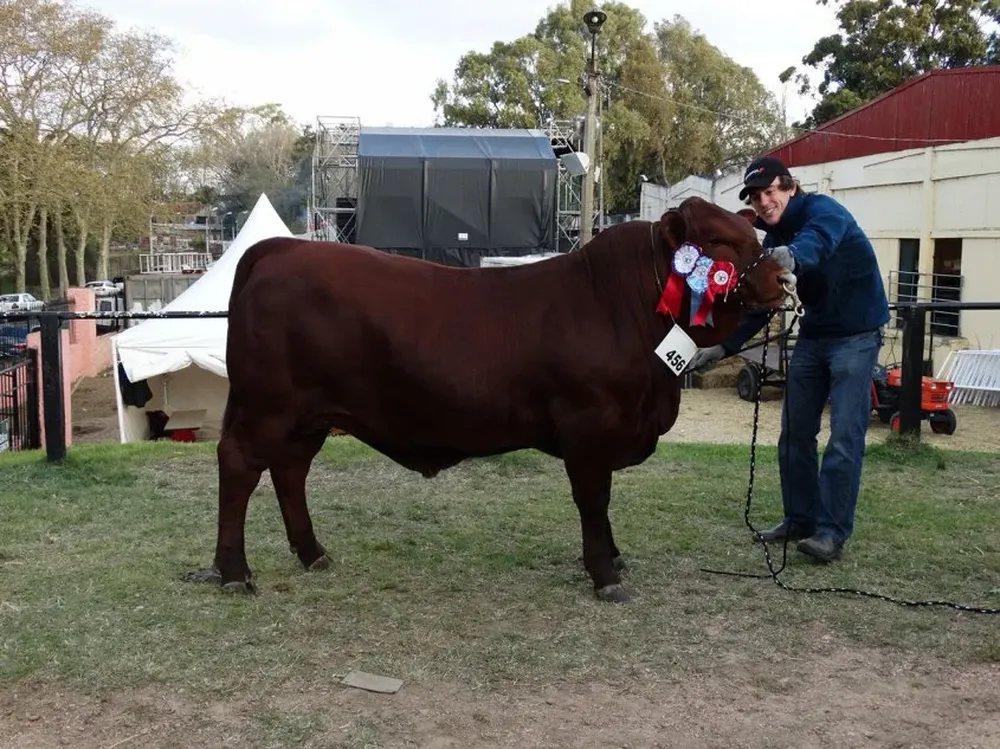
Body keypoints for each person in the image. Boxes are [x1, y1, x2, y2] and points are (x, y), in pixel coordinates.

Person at [687, 156, 889, 563]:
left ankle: (831, 533)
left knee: (845, 438)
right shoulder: (767, 233)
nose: (763, 202)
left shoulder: (823, 212)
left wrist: (790, 258)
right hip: (815, 334)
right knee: (795, 433)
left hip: (856, 336)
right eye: (756, 197)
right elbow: (764, 301)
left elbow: (817, 242)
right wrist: (723, 347)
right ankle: (799, 519)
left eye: (770, 191)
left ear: (790, 187)